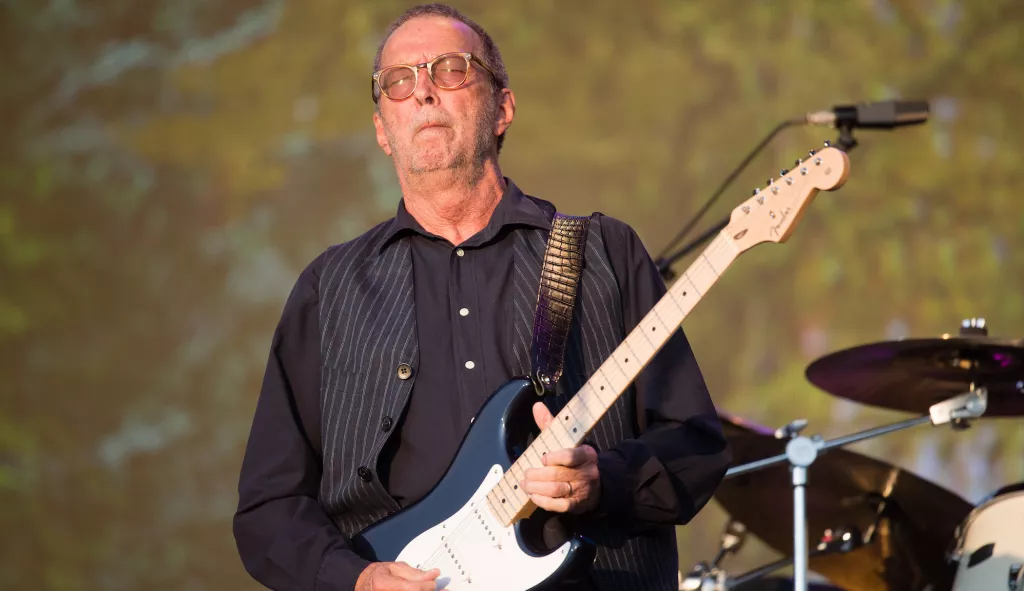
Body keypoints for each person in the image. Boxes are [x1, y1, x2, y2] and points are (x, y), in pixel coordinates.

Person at [233, 4, 731, 591]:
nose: (423, 92)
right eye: (398, 81)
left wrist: (606, 482)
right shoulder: (330, 289)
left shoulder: (604, 252)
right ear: (382, 131)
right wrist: (357, 579)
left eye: (450, 70)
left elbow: (695, 446)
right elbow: (269, 507)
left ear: (503, 108)